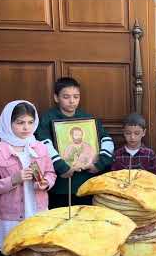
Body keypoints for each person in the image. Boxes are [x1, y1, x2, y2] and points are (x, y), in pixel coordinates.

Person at [0, 100, 56, 256]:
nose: (26, 128)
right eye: (20, 123)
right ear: (8, 122)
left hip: (38, 212)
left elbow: (51, 173)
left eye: (30, 122)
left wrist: (46, 183)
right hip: (12, 217)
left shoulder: (40, 147)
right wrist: (14, 179)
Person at [35, 78, 114, 208]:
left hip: (86, 183)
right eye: (66, 97)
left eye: (76, 97)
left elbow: (106, 140)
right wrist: (62, 167)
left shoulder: (87, 118)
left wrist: (99, 164)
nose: (72, 101)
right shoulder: (47, 118)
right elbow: (44, 145)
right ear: (56, 97)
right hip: (61, 184)